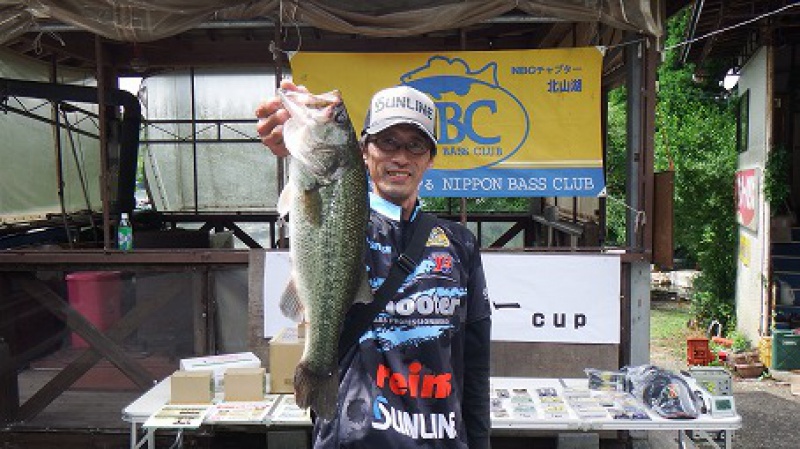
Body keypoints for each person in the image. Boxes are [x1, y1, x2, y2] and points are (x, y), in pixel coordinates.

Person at [256, 80, 492, 449]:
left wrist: (479, 442)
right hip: (353, 438)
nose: (400, 157)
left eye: (415, 145)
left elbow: (475, 364)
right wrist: (290, 134)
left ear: (430, 157)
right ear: (363, 151)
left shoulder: (460, 244)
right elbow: (314, 206)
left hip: (441, 439)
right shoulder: (347, 222)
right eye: (387, 142)